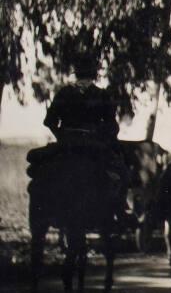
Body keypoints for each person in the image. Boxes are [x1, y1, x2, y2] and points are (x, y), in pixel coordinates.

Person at [28, 50, 135, 229]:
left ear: (75, 73)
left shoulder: (64, 93)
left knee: (40, 167)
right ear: (93, 74)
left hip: (66, 145)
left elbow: (49, 121)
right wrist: (103, 137)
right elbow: (112, 126)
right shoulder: (101, 95)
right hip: (94, 147)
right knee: (122, 173)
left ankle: (44, 207)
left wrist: (62, 136)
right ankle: (119, 211)